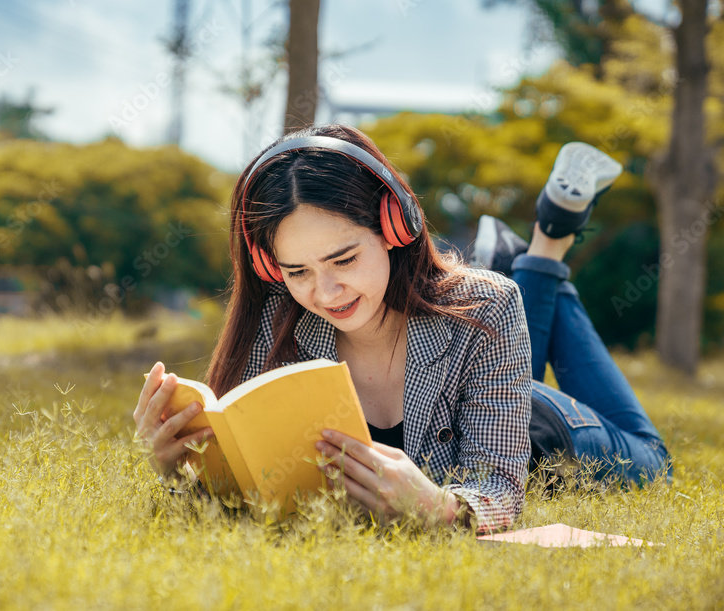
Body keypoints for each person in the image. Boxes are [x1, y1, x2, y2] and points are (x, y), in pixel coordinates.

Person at [132, 124, 671, 534]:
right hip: (481, 346)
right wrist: (183, 467)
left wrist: (439, 507)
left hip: (551, 431)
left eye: (343, 259)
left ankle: (546, 245)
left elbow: (501, 489)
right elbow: (247, 500)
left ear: (396, 226)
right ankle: (527, 254)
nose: (324, 293)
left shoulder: (489, 309)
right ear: (271, 268)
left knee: (656, 461)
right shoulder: (277, 322)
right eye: (297, 271)